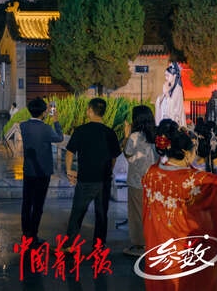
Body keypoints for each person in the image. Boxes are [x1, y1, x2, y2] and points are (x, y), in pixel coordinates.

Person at [141, 119, 217, 289]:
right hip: (184, 254)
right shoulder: (192, 181)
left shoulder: (152, 173)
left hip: (158, 247)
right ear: (185, 153)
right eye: (193, 150)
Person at [64, 97, 122, 249]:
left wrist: (69, 171)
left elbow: (69, 152)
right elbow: (114, 156)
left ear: (90, 110)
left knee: (77, 213)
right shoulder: (109, 132)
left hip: (85, 179)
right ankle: (99, 246)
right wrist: (109, 170)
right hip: (103, 180)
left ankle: (70, 245)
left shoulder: (81, 130)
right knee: (101, 215)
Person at [19, 97, 63, 246]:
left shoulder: (23, 126)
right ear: (44, 112)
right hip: (43, 171)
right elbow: (59, 138)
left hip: (28, 170)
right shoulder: (46, 128)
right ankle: (33, 235)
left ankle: (25, 234)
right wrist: (55, 121)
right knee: (38, 205)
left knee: (26, 203)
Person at [121, 105, 157, 257]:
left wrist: (126, 135)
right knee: (151, 213)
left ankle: (140, 245)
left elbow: (127, 154)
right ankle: (152, 242)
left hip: (137, 181)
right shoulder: (155, 135)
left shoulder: (134, 136)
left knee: (137, 213)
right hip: (154, 181)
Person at [155, 61, 185, 127]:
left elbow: (175, 108)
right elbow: (160, 102)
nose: (166, 78)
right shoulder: (168, 87)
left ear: (174, 76)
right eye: (165, 75)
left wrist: (166, 93)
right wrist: (164, 94)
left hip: (173, 124)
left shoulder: (178, 89)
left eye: (168, 75)